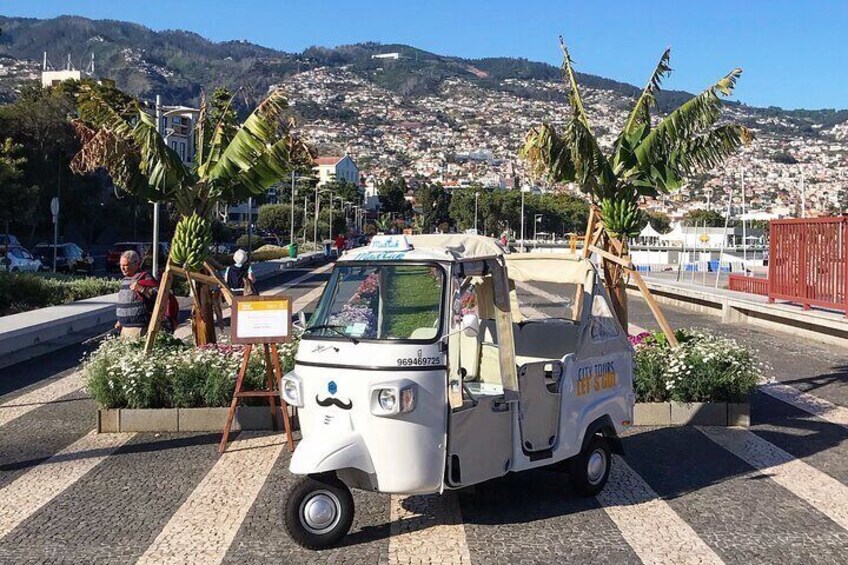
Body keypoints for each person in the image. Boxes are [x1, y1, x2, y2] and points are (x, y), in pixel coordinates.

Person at [115, 250, 157, 339]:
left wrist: (141, 289)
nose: (122, 268)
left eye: (125, 265)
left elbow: (158, 296)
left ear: (136, 264)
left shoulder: (145, 277)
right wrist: (119, 321)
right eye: (121, 265)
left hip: (138, 328)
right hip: (124, 328)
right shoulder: (124, 281)